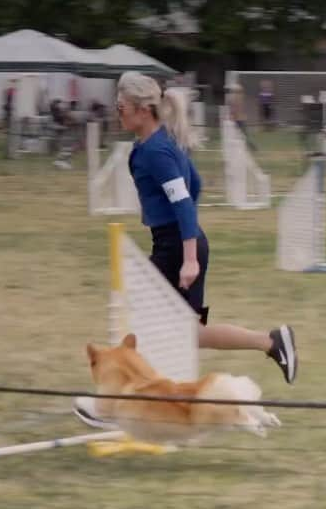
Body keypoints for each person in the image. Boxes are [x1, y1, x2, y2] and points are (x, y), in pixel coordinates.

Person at [116, 72, 297, 382]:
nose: (117, 112)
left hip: (177, 247)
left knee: (137, 317)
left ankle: (125, 396)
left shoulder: (156, 151)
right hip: (181, 241)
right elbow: (194, 185)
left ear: (142, 110)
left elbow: (185, 202)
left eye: (121, 107)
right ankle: (271, 342)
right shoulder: (162, 143)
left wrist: (188, 257)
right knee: (190, 334)